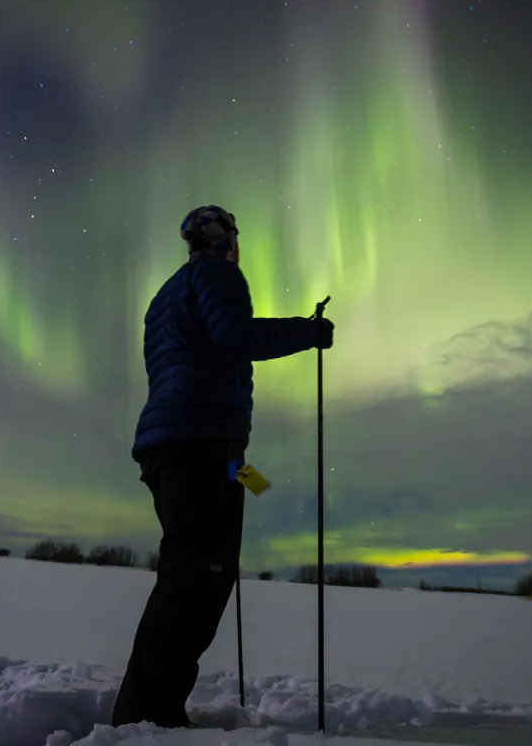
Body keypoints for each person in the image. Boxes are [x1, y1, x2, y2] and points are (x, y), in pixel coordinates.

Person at [111, 205, 335, 729]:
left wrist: (242, 472)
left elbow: (198, 367)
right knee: (195, 579)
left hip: (173, 449)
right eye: (229, 235)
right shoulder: (216, 275)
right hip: (200, 446)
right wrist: (309, 330)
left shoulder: (166, 295)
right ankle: (147, 715)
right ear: (225, 241)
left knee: (191, 574)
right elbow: (234, 340)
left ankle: (150, 708)